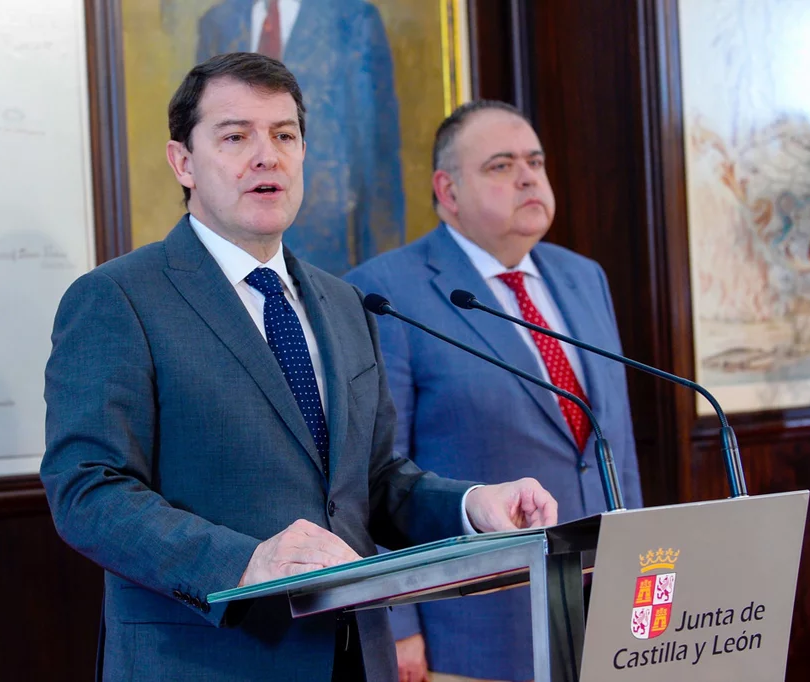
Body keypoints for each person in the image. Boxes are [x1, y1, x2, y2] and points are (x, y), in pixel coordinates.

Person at [40, 55, 558, 682]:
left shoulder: (345, 303)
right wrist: (245, 563)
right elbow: (88, 491)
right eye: (236, 136)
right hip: (207, 660)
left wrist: (474, 505)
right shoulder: (119, 298)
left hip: (354, 657)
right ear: (183, 162)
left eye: (284, 135)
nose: (267, 156)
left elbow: (375, 483)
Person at [345, 100, 643, 682]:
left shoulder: (583, 276)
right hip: (475, 625)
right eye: (501, 166)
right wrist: (397, 626)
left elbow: (615, 451)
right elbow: (376, 473)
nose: (529, 177)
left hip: (605, 611)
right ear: (448, 190)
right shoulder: (387, 290)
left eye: (535, 161)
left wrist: (643, 572)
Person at [195, 0, 403, 275]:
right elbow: (201, 130)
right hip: (232, 255)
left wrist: (379, 265)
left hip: (332, 241)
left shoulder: (353, 18)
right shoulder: (218, 21)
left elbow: (377, 151)